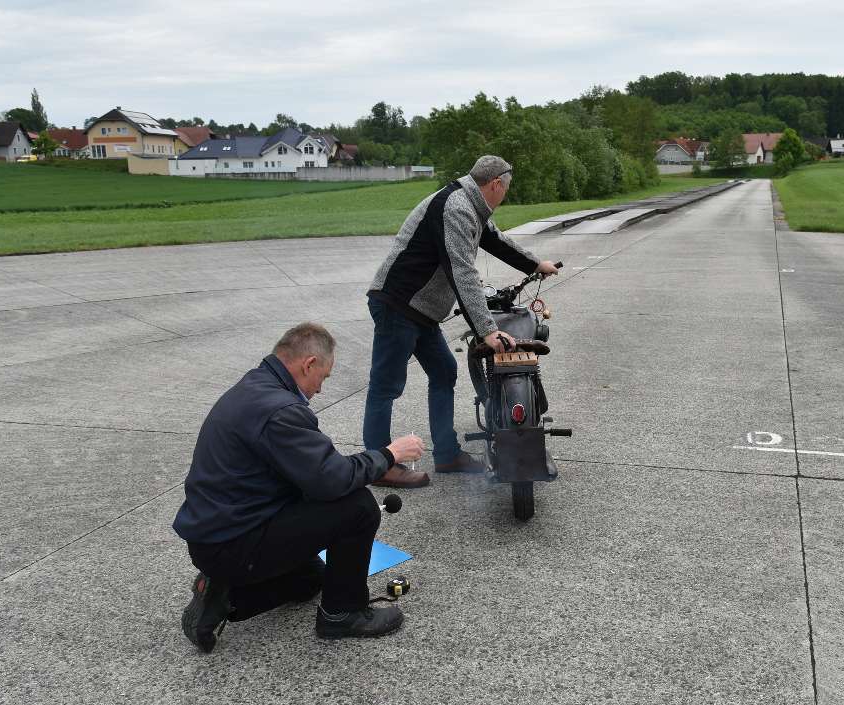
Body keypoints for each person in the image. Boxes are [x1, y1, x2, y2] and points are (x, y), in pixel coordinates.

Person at [173, 322, 424, 652]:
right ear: (308, 364)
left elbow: (311, 472)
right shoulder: (279, 410)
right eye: (324, 376)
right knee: (358, 506)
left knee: (312, 579)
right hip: (234, 542)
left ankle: (225, 596)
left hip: (217, 535)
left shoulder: (255, 386)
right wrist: (389, 454)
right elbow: (332, 479)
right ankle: (342, 615)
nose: (320, 388)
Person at [364, 154, 560, 488]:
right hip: (398, 304)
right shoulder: (456, 207)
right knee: (386, 386)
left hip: (421, 311)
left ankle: (446, 454)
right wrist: (488, 330)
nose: (505, 195)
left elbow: (496, 241)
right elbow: (463, 272)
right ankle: (377, 465)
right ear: (496, 183)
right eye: (506, 189)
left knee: (444, 371)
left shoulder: (472, 206)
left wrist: (534, 264)